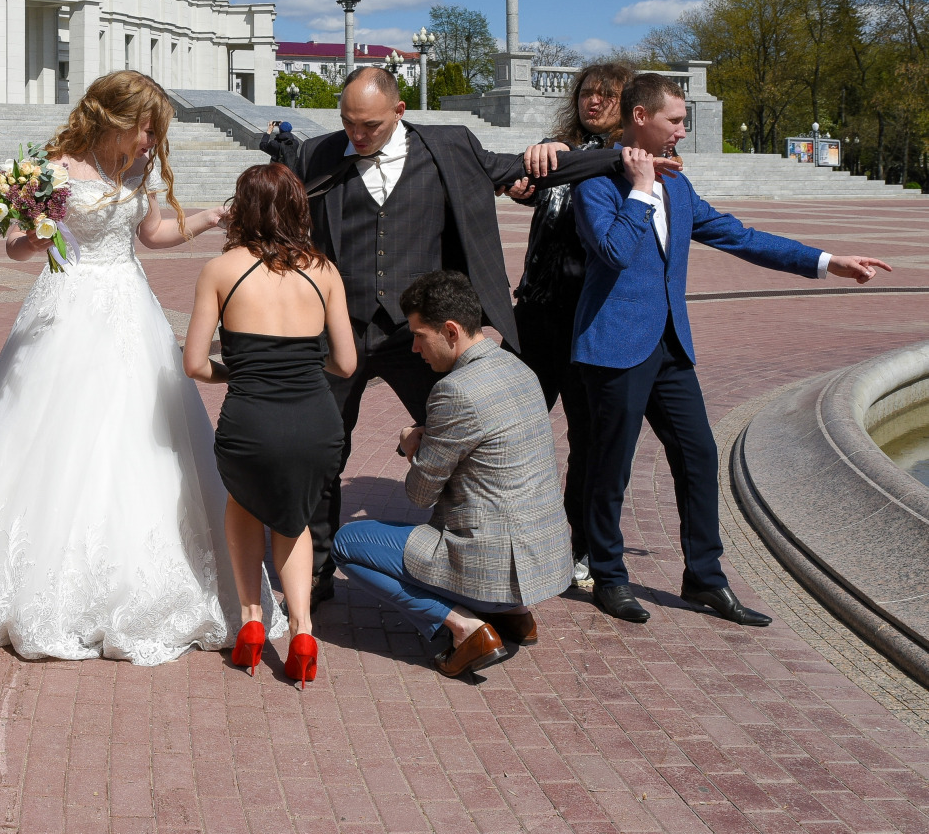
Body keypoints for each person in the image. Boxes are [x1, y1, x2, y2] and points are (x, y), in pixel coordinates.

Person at [0, 70, 285, 665]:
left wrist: (204, 220)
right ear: (114, 117)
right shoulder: (56, 166)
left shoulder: (134, 170)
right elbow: (17, 247)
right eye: (146, 128)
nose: (152, 141)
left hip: (129, 306)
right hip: (66, 306)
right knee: (54, 434)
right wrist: (38, 232)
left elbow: (150, 234)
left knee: (138, 435)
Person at [276, 65, 677, 603]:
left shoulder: (448, 147)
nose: (356, 135)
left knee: (468, 438)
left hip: (420, 334)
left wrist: (623, 160)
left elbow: (530, 169)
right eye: (348, 122)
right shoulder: (319, 155)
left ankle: (470, 567)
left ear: (399, 113)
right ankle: (318, 571)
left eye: (368, 125)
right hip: (342, 331)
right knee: (324, 449)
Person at [573, 74, 891, 626]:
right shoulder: (597, 182)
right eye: (675, 120)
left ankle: (704, 578)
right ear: (641, 117)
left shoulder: (680, 186)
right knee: (610, 469)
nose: (683, 130)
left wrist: (825, 261)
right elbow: (616, 251)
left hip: (670, 345)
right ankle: (608, 575)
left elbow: (739, 236)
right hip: (615, 346)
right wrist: (641, 186)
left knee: (698, 457)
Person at [333, 271, 571, 678]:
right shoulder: (519, 369)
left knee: (346, 542)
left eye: (419, 335)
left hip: (490, 565)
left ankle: (466, 628)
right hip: (544, 563)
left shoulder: (454, 390)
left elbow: (419, 495)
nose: (414, 347)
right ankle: (516, 615)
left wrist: (413, 446)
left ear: (451, 330)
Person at [183, 163, 355, 687]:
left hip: (251, 419)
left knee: (244, 502)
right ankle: (303, 630)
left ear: (243, 207)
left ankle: (252, 623)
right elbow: (346, 364)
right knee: (294, 516)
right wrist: (300, 367)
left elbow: (193, 363)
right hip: (314, 419)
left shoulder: (221, 269)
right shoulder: (323, 270)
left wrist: (239, 371)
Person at [503, 62, 632, 585]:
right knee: (511, 426)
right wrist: (525, 174)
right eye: (586, 93)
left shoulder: (634, 160)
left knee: (588, 437)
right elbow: (529, 178)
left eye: (606, 95)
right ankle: (507, 533)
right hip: (535, 311)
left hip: (589, 320)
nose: (593, 102)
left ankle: (579, 544)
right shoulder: (557, 153)